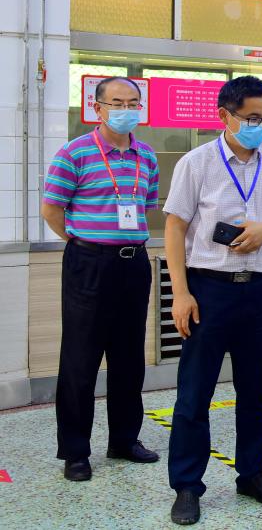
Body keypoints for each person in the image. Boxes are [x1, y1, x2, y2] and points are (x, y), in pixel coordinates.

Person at [163, 76, 262, 525]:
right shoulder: (197, 162)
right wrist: (180, 293)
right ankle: (187, 485)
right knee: (194, 393)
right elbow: (174, 228)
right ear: (224, 115)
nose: (260, 125)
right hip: (209, 289)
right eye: (251, 118)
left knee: (255, 391)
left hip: (259, 289)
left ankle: (252, 474)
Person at [41, 77, 161, 482]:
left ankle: (124, 440)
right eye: (117, 102)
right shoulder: (75, 153)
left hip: (134, 263)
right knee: (81, 359)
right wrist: (83, 243)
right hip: (89, 263)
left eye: (133, 102)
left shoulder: (146, 155)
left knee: (129, 357)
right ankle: (75, 451)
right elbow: (52, 209)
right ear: (98, 108)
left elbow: (146, 206)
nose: (126, 109)